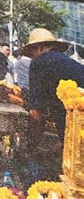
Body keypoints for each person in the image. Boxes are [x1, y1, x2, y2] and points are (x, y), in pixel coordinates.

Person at [18, 28, 84, 184]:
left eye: (32, 52)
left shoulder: (39, 62)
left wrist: (30, 148)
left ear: (38, 48)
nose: (32, 57)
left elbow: (36, 114)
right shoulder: (65, 62)